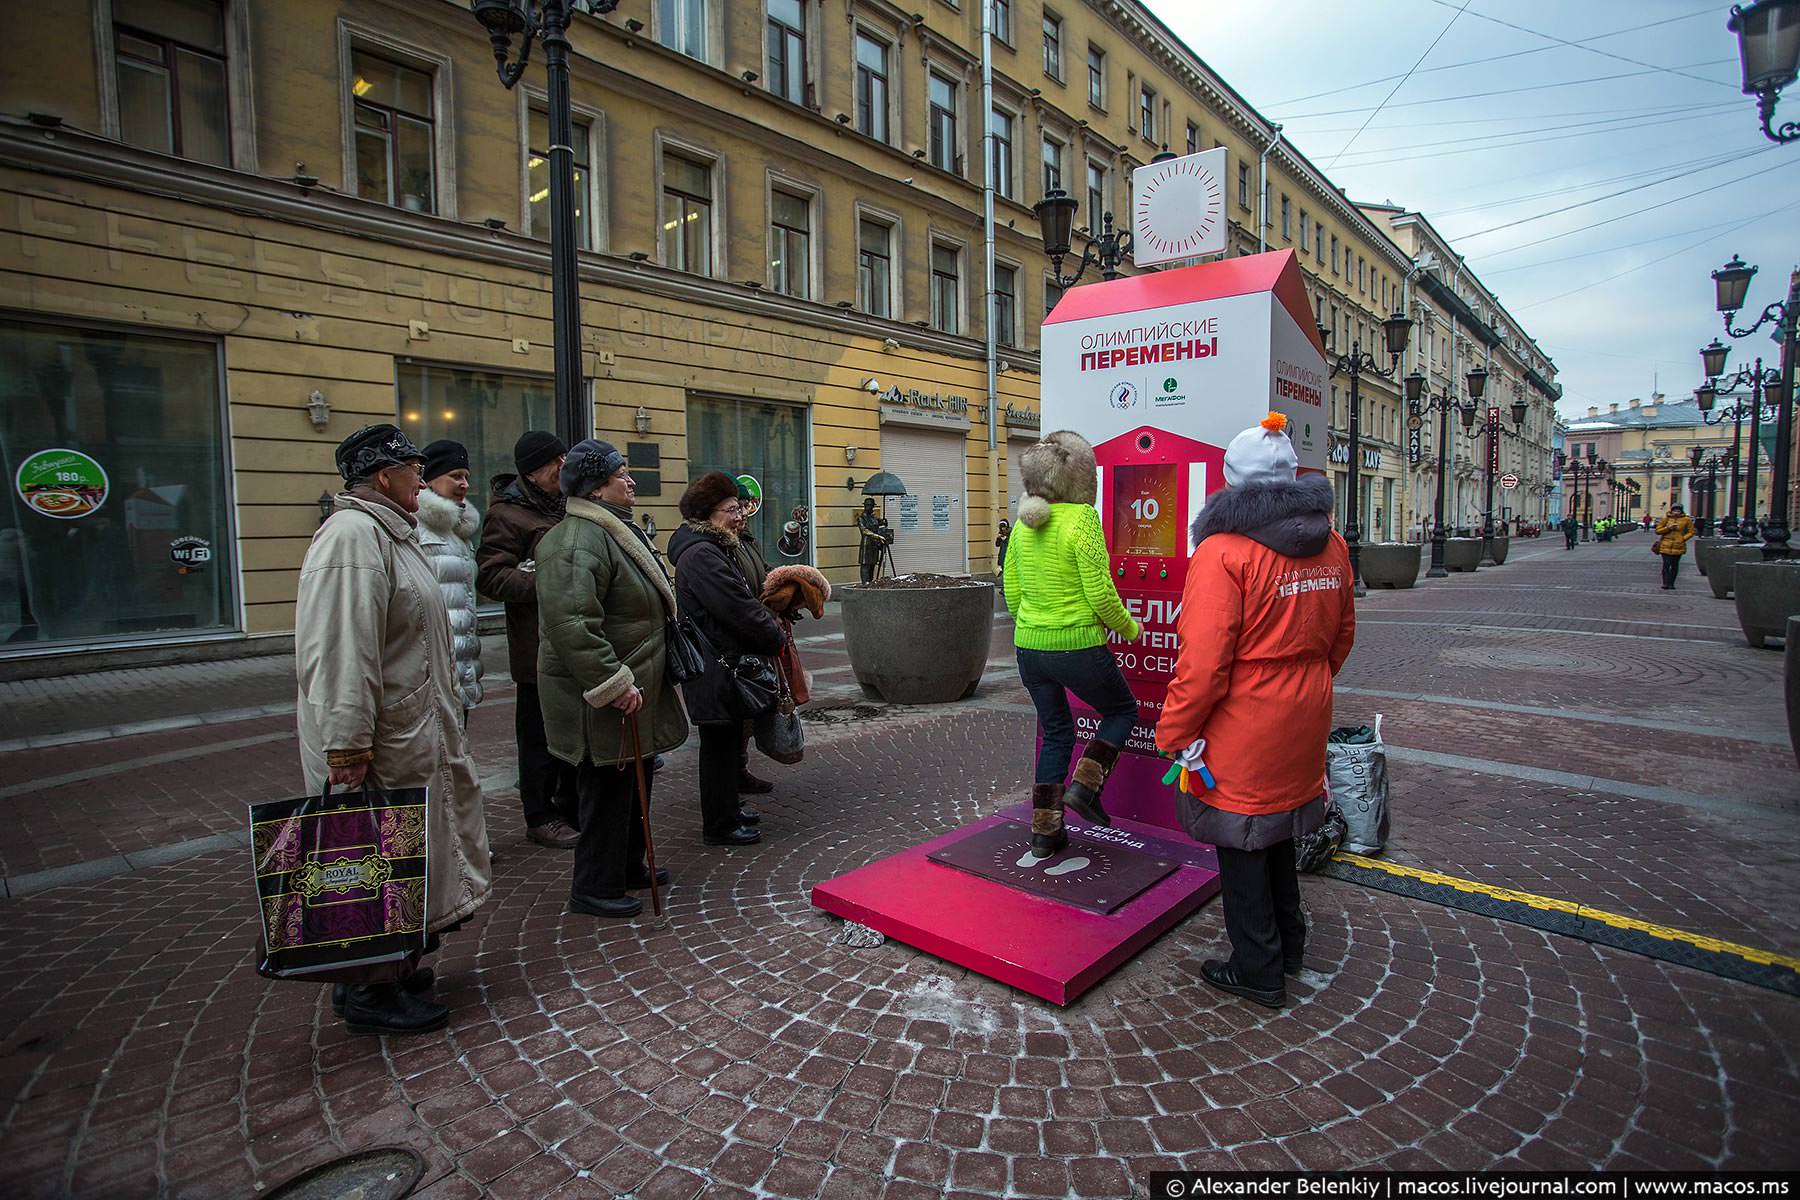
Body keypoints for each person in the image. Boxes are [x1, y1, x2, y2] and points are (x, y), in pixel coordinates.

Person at [296, 424, 492, 1036]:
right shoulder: (354, 537)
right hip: (376, 740)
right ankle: (367, 993)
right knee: (369, 854)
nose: (422, 475)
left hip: (409, 728)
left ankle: (394, 967)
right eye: (412, 466)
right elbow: (341, 653)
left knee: (403, 852)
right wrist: (347, 746)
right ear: (386, 476)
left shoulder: (390, 534)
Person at [1156, 414, 1355, 1011]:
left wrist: (1175, 730)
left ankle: (1258, 969)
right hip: (1306, 707)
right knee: (1276, 835)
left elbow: (1203, 661)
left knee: (1242, 844)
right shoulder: (1333, 542)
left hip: (1243, 722)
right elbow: (1341, 636)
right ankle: (1289, 944)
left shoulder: (1223, 552)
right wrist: (1305, 685)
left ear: (1233, 484)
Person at [535, 440, 689, 918]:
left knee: (629, 785)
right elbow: (572, 624)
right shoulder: (577, 540)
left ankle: (626, 866)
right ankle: (594, 885)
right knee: (604, 792)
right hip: (603, 695)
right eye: (621, 474)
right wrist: (612, 682)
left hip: (635, 686)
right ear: (597, 488)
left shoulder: (612, 531)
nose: (631, 481)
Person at [1002, 430, 1141, 858]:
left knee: (1058, 732)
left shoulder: (1025, 525)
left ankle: (1045, 833)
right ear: (1081, 479)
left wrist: (1032, 623)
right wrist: (1130, 629)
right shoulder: (1082, 520)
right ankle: (1084, 787)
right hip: (1077, 644)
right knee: (1121, 711)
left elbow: (1011, 588)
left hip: (1030, 648)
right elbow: (1100, 593)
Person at [669, 472, 786, 847]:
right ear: (707, 513)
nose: (739, 515)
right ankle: (719, 823)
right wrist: (773, 636)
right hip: (714, 663)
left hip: (722, 661)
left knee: (727, 738)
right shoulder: (703, 553)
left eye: (739, 507)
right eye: (731, 508)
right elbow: (735, 607)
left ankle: (728, 811)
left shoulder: (715, 546)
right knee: (718, 745)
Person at [477, 431, 581, 849]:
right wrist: (545, 581)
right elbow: (489, 576)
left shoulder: (565, 505)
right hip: (536, 648)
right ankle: (539, 815)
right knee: (538, 736)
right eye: (555, 462)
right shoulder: (507, 515)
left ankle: (571, 807)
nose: (563, 468)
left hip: (571, 641)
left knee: (572, 733)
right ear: (533, 471)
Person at [417, 440, 484, 718]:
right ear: (430, 481)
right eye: (455, 476)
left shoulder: (458, 531)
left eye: (467, 477)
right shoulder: (417, 527)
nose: (464, 484)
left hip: (461, 661)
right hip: (432, 666)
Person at [729, 480, 777, 801]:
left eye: (746, 507)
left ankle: (739, 769)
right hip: (734, 643)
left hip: (753, 634)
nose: (744, 514)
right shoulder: (717, 545)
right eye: (737, 507)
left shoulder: (746, 539)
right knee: (733, 715)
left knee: (747, 713)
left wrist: (784, 583)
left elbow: (762, 572)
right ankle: (729, 778)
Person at [1654, 504, 1696, 590]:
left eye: (1678, 510)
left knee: (1674, 565)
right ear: (1671, 510)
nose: (1676, 512)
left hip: (1678, 545)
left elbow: (1691, 532)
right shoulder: (1666, 519)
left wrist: (1683, 538)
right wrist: (1668, 528)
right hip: (1665, 545)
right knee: (1666, 564)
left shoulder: (1686, 520)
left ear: (1681, 511)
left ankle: (1671, 583)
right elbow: (1658, 531)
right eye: (1674, 510)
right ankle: (1665, 583)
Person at [857, 497, 893, 583]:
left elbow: (880, 523)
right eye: (867, 505)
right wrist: (878, 536)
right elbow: (864, 530)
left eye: (871, 506)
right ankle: (865, 583)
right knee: (865, 565)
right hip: (866, 545)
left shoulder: (873, 518)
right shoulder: (861, 518)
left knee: (872, 564)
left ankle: (871, 582)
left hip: (874, 545)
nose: (869, 507)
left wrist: (884, 521)